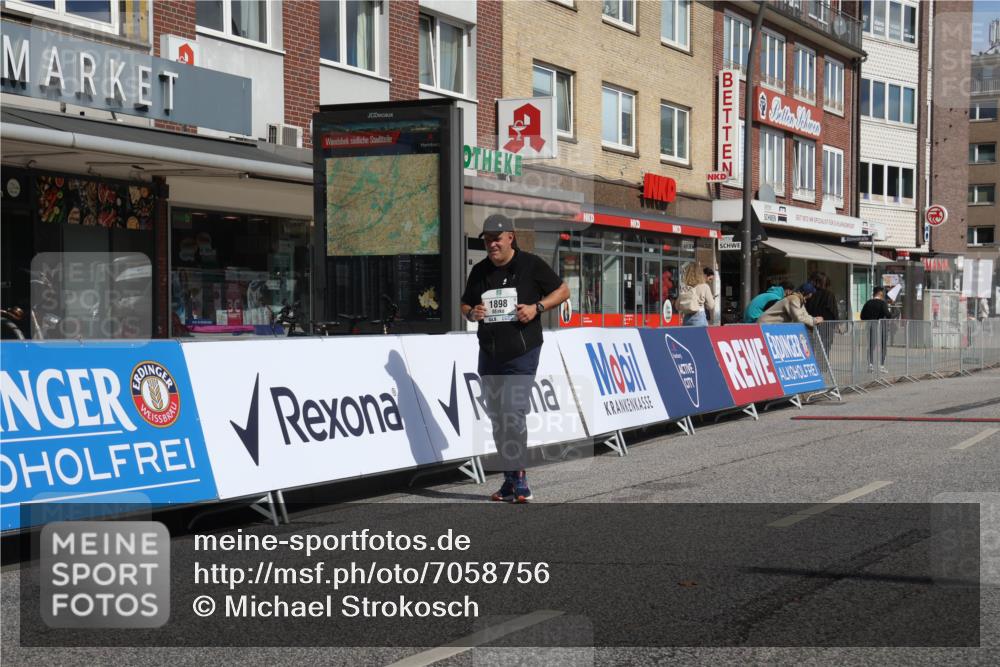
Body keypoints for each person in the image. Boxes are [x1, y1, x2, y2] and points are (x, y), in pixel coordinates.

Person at [461, 214, 570, 503]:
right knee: (497, 418)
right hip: (490, 353)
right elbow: (466, 302)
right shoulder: (481, 271)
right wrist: (472, 313)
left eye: (497, 238)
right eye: (487, 239)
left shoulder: (530, 264)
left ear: (511, 237)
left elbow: (563, 290)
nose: (492, 244)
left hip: (523, 351)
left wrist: (537, 307)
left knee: (512, 411)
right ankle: (509, 480)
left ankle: (520, 478)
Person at [758, 282, 824, 329]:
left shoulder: (799, 300)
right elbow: (799, 318)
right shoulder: (794, 299)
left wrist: (814, 319)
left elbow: (804, 315)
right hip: (766, 324)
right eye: (811, 293)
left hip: (770, 325)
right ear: (809, 294)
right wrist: (814, 321)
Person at [860, 286, 892, 372]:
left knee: (871, 346)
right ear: (880, 293)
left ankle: (870, 366)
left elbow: (862, 316)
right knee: (883, 346)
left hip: (870, 326)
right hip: (881, 327)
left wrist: (870, 318)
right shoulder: (882, 303)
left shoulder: (868, 303)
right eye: (883, 293)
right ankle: (881, 366)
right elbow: (888, 315)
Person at [806, 272, 838, 353]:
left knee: (810, 351)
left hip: (809, 326)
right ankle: (822, 366)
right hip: (825, 328)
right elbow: (832, 312)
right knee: (824, 352)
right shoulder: (829, 294)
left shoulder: (809, 294)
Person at [677, 262, 715, 326]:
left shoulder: (685, 288)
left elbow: (677, 306)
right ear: (701, 274)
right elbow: (711, 306)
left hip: (686, 318)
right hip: (699, 317)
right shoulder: (704, 286)